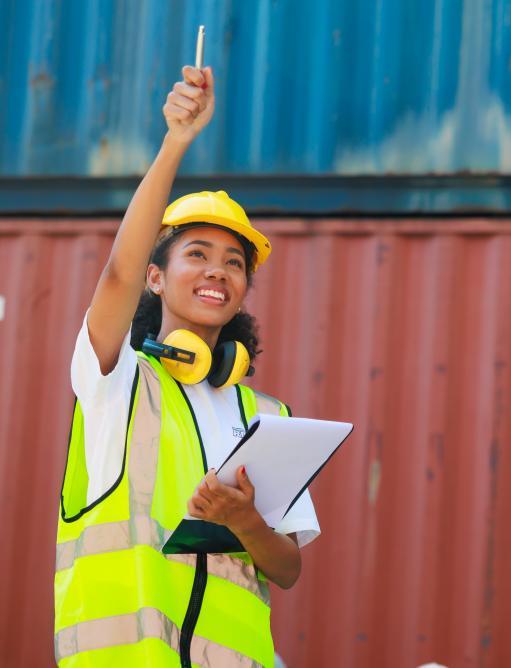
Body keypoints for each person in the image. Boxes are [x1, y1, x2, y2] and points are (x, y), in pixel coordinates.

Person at [53, 65, 318, 667]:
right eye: (195, 254)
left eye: (234, 262)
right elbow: (116, 274)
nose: (217, 271)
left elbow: (288, 568)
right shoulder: (116, 380)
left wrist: (247, 520)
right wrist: (176, 140)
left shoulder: (266, 416)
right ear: (157, 276)